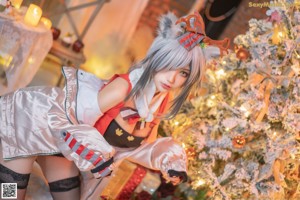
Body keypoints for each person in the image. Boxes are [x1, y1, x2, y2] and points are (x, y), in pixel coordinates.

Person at [0, 12, 228, 199]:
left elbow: (142, 148)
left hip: (60, 148)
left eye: (183, 73)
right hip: (30, 121)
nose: (173, 78)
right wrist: (98, 153)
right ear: (156, 60)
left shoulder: (157, 103)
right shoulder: (121, 89)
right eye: (169, 66)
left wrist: (171, 161)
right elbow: (67, 121)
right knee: (10, 194)